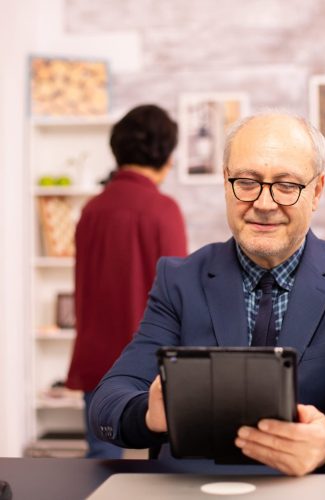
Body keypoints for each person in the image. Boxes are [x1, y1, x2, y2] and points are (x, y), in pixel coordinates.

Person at [90, 110, 325, 474]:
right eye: (247, 181)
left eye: (287, 185)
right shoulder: (178, 279)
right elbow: (107, 403)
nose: (264, 203)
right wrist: (148, 415)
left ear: (317, 191)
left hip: (311, 491)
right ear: (226, 182)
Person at [66, 104, 188, 458]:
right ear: (166, 154)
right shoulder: (162, 209)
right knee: (165, 473)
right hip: (146, 369)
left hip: (95, 358)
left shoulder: (92, 209)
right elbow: (181, 297)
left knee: (100, 467)